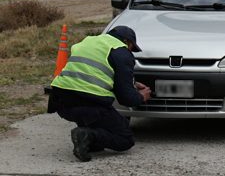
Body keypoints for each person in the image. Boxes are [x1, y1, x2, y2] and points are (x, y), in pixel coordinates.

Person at [48, 26, 151, 162]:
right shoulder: (121, 51)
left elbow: (93, 72)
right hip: (89, 103)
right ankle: (87, 135)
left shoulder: (88, 41)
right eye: (132, 47)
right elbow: (126, 98)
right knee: (125, 139)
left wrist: (131, 83)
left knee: (98, 136)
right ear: (127, 41)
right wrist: (141, 96)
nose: (131, 50)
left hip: (60, 102)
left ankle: (86, 140)